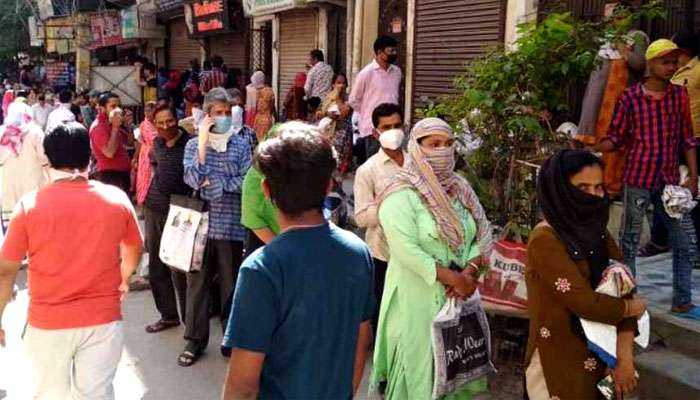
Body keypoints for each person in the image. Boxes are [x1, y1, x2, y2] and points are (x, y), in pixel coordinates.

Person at [221, 122, 374, 399]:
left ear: (266, 190)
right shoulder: (358, 251)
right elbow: (362, 338)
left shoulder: (261, 268)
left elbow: (242, 385)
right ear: (328, 185)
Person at [0, 122, 143, 399]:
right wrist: (124, 279)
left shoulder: (29, 206)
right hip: (103, 318)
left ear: (48, 158)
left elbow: (6, 271)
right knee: (96, 394)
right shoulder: (116, 199)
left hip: (48, 323)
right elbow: (134, 248)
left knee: (50, 394)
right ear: (89, 155)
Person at [370, 118, 493, 399]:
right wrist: (455, 279)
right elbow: (406, 250)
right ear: (416, 147)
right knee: (420, 372)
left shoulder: (460, 189)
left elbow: (481, 232)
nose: (443, 151)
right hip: (418, 300)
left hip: (459, 298)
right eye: (434, 144)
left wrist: (470, 272)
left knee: (456, 370)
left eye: (448, 144)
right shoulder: (399, 193)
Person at [526, 149, 646, 399]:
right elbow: (585, 303)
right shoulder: (545, 239)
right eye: (583, 187)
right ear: (561, 190)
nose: (593, 196)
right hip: (559, 360)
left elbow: (625, 291)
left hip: (603, 360)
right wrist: (630, 309)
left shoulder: (600, 235)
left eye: (598, 188)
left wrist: (624, 359)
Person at [594, 39, 700, 319]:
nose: (671, 67)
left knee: (685, 241)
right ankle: (627, 298)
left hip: (669, 184)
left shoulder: (679, 96)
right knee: (629, 240)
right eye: (665, 62)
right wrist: (594, 146)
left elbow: (688, 139)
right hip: (637, 178)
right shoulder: (630, 98)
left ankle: (682, 300)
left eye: (674, 62)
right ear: (650, 64)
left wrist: (693, 176)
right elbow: (616, 137)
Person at [181, 87, 252, 366]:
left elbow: (247, 180)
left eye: (226, 112)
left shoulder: (240, 143)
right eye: (217, 113)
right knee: (196, 286)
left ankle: (229, 339)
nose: (223, 117)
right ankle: (194, 340)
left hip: (231, 226)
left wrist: (219, 184)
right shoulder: (192, 145)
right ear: (207, 115)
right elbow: (192, 179)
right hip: (201, 227)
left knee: (230, 286)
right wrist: (201, 142)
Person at [576, 2, 648, 197]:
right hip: (598, 108)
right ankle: (592, 186)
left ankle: (612, 189)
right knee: (595, 146)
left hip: (621, 105)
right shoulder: (603, 41)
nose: (616, 21)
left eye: (621, 16)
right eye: (613, 18)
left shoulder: (637, 37)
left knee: (616, 144)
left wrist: (621, 47)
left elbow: (640, 64)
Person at [642, 30, 700, 258]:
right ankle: (659, 240)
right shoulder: (673, 74)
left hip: (695, 140)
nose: (670, 63)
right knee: (663, 189)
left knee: (694, 193)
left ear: (683, 52)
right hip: (670, 140)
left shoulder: (697, 71)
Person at [354, 103, 404, 333]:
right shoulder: (368, 170)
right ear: (376, 132)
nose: (393, 131)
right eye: (386, 127)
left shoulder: (418, 162)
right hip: (383, 253)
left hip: (417, 251)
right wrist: (390, 208)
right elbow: (361, 217)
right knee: (384, 311)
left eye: (397, 126)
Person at [143, 104, 191, 334]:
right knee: (157, 266)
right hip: (154, 209)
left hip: (180, 211)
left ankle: (189, 321)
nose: (165, 127)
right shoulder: (157, 144)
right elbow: (156, 167)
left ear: (177, 119)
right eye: (160, 123)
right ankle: (168, 315)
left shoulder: (190, 144)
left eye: (169, 121)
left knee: (180, 269)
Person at [349, 36, 402, 163]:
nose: (394, 54)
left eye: (395, 50)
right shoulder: (366, 73)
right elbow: (353, 99)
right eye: (391, 51)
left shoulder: (397, 72)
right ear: (379, 52)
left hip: (393, 127)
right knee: (375, 165)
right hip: (372, 129)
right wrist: (369, 113)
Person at [0, 101, 48, 219]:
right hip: (33, 183)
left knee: (12, 222)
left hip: (9, 183)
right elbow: (45, 157)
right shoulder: (35, 131)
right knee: (33, 218)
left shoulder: (1, 132)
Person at [89, 92, 134, 194]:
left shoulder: (112, 123)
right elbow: (109, 153)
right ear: (102, 109)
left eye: (119, 106)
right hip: (110, 176)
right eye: (113, 106)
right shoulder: (98, 127)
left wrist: (129, 127)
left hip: (121, 175)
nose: (118, 110)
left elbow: (130, 144)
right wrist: (115, 128)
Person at [133, 101, 158, 205]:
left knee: (154, 180)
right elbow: (139, 143)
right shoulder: (143, 125)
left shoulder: (159, 124)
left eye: (151, 110)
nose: (148, 113)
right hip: (145, 156)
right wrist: (135, 158)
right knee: (144, 179)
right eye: (146, 110)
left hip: (157, 155)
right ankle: (144, 204)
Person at [250, 71, 276, 143]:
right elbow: (272, 106)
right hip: (268, 119)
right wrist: (276, 118)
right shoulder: (270, 91)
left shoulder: (253, 92)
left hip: (257, 120)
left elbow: (252, 109)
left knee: (258, 142)